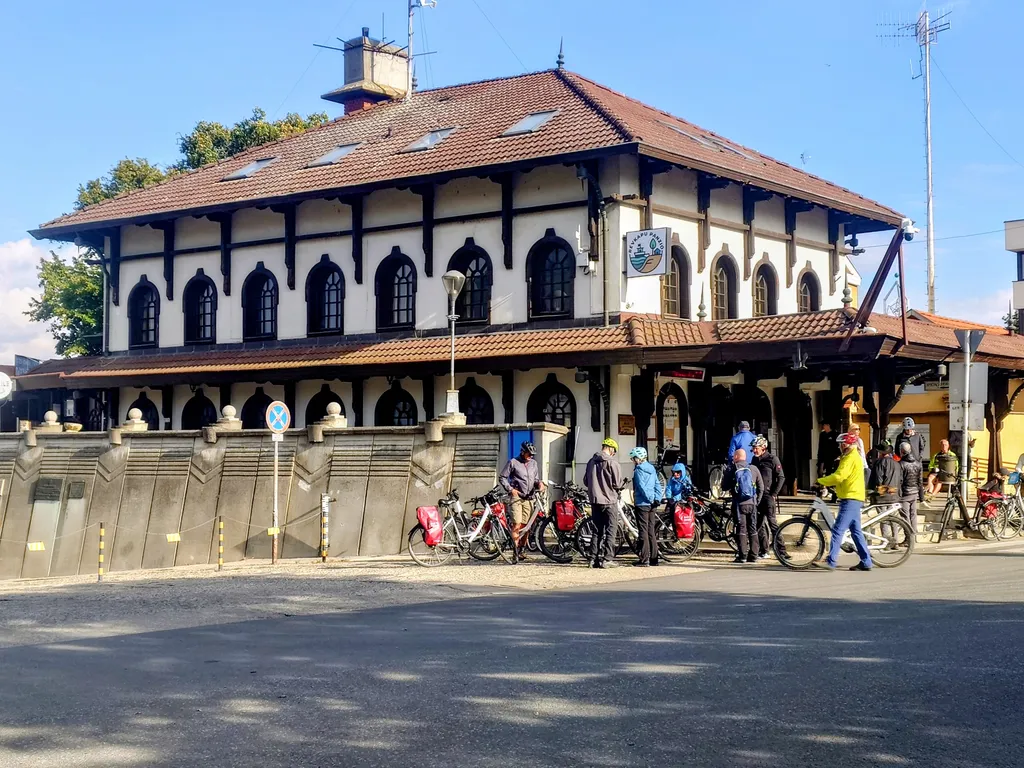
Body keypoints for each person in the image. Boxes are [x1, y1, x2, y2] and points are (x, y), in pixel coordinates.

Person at [814, 432, 872, 571]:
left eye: (841, 443)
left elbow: (840, 476)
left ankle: (831, 561)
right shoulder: (851, 456)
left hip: (850, 498)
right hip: (853, 497)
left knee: (837, 530)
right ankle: (866, 561)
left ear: (846, 444)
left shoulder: (850, 457)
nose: (839, 446)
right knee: (856, 532)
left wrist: (821, 481)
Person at [498, 441, 547, 557]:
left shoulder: (533, 464)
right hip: (516, 498)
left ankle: (522, 549)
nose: (531, 456)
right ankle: (515, 551)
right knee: (517, 524)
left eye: (532, 454)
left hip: (529, 498)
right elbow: (502, 477)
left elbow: (535, 479)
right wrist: (510, 489)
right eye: (529, 454)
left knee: (526, 527)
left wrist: (540, 484)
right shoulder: (513, 462)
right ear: (523, 452)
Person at [584, 438, 623, 569]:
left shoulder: (591, 462)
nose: (614, 454)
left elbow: (585, 481)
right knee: (611, 529)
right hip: (609, 500)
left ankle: (592, 559)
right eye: (614, 451)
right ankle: (607, 559)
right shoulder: (613, 463)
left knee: (597, 530)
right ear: (611, 449)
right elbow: (617, 484)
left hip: (595, 501)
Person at [722, 447, 764, 564]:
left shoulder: (732, 469)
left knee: (741, 529)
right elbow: (761, 487)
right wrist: (757, 500)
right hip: (752, 503)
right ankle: (754, 555)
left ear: (736, 457)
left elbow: (724, 487)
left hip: (739, 504)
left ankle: (742, 555)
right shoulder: (753, 468)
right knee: (753, 528)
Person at [751, 435, 787, 560]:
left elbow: (781, 477)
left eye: (756, 448)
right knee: (758, 524)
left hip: (768, 496)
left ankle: (782, 551)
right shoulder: (754, 460)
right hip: (757, 495)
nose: (754, 450)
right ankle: (763, 550)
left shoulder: (772, 459)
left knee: (772, 524)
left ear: (764, 448)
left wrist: (774, 493)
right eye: (753, 448)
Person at [629, 447, 663, 567]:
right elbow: (657, 484)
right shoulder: (651, 468)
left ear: (637, 458)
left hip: (642, 503)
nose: (633, 461)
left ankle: (644, 559)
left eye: (633, 458)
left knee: (643, 531)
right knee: (651, 531)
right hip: (652, 504)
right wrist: (656, 499)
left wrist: (649, 499)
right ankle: (654, 559)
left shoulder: (638, 470)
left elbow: (641, 487)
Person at [898, 443, 922, 537]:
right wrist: (921, 496)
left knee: (905, 515)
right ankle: (913, 535)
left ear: (902, 451)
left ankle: (908, 537)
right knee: (913, 514)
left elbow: (900, 480)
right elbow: (919, 480)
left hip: (905, 493)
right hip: (914, 492)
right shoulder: (918, 463)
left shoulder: (901, 464)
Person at [869, 442, 902, 506]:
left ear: (880, 452)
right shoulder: (897, 464)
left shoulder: (879, 463)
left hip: (882, 496)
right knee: (891, 515)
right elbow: (900, 480)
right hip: (895, 495)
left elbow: (878, 479)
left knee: (882, 514)